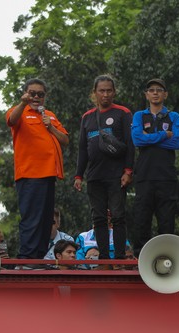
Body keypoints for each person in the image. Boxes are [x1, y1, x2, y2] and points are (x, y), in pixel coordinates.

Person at [73, 75, 135, 264]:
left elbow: (130, 145)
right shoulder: (87, 117)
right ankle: (104, 258)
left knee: (117, 216)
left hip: (116, 175)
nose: (105, 94)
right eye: (102, 90)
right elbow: (83, 149)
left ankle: (119, 257)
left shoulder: (123, 113)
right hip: (94, 175)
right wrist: (78, 175)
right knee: (98, 217)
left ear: (114, 92)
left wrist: (128, 171)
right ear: (95, 93)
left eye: (109, 90)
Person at [6, 78, 69, 260]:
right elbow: (11, 120)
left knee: (45, 220)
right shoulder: (20, 111)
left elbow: (65, 140)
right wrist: (23, 102)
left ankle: (39, 258)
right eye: (32, 93)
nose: (36, 97)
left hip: (49, 174)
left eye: (40, 94)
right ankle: (27, 258)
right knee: (32, 219)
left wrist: (51, 128)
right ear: (25, 93)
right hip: (30, 174)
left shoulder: (48, 115)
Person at [131, 77, 179, 257]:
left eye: (159, 90)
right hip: (144, 175)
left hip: (166, 176)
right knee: (141, 219)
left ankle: (166, 258)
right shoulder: (139, 115)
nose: (155, 93)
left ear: (165, 94)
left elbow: (176, 142)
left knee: (167, 222)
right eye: (151, 90)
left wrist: (150, 138)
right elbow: (137, 139)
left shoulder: (173, 116)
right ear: (146, 95)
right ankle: (141, 258)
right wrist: (163, 135)